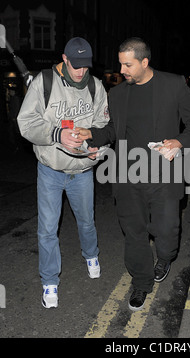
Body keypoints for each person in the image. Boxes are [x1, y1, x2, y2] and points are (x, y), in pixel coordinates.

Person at [77, 37, 190, 311]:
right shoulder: (118, 94)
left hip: (165, 174)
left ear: (145, 62)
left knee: (166, 232)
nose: (122, 70)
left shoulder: (173, 84)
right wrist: (92, 135)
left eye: (128, 64)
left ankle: (166, 257)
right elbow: (112, 131)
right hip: (127, 175)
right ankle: (141, 283)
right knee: (134, 233)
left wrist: (179, 142)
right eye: (120, 63)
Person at [17, 37, 110, 308]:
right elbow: (26, 124)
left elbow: (103, 124)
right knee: (47, 230)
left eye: (86, 66)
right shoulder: (44, 82)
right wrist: (57, 133)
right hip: (51, 170)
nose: (81, 72)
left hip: (82, 171)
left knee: (86, 222)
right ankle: (49, 282)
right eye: (76, 65)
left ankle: (91, 255)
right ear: (64, 59)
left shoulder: (96, 86)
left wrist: (97, 147)